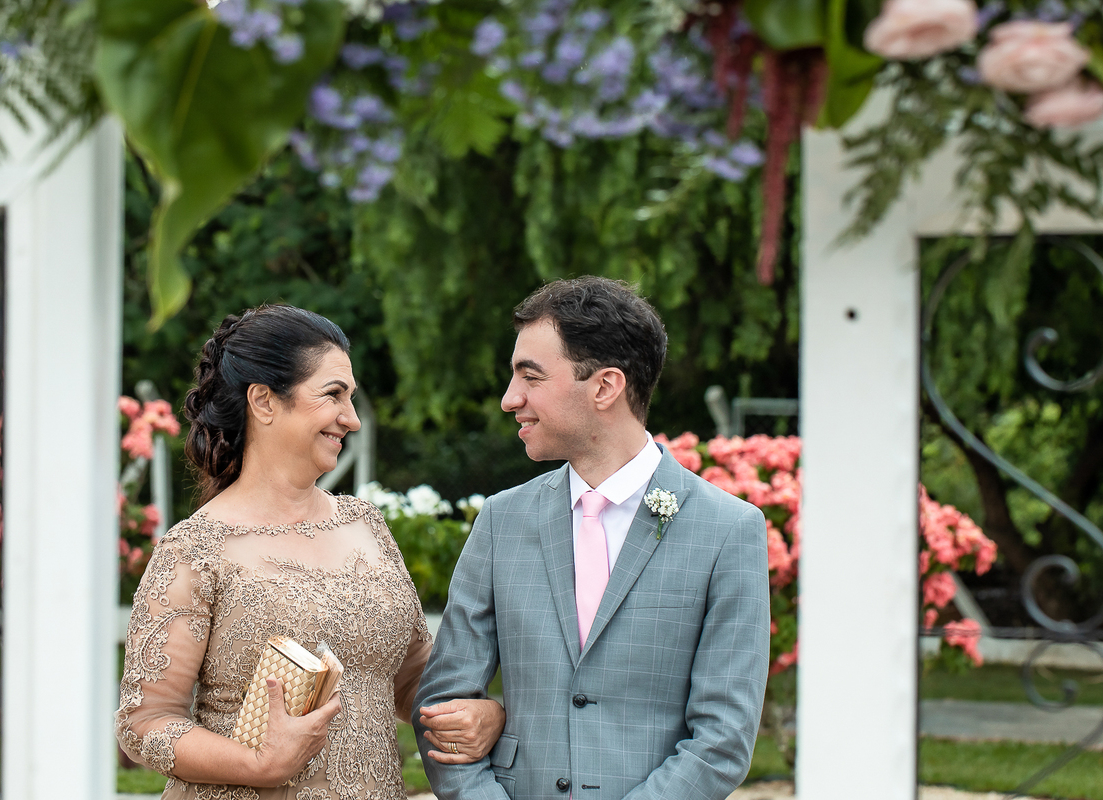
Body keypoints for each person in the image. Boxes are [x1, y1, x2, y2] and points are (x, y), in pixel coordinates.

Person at [116, 304, 505, 800]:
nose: (352, 419)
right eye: (333, 395)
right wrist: (258, 764)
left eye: (352, 398)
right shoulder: (196, 549)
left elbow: (412, 680)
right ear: (264, 401)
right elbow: (144, 721)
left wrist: (482, 712)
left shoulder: (365, 525)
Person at [412, 277, 771, 799]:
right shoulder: (500, 521)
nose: (510, 399)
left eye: (530, 376)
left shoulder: (728, 530)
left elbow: (723, 739)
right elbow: (442, 707)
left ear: (605, 387)